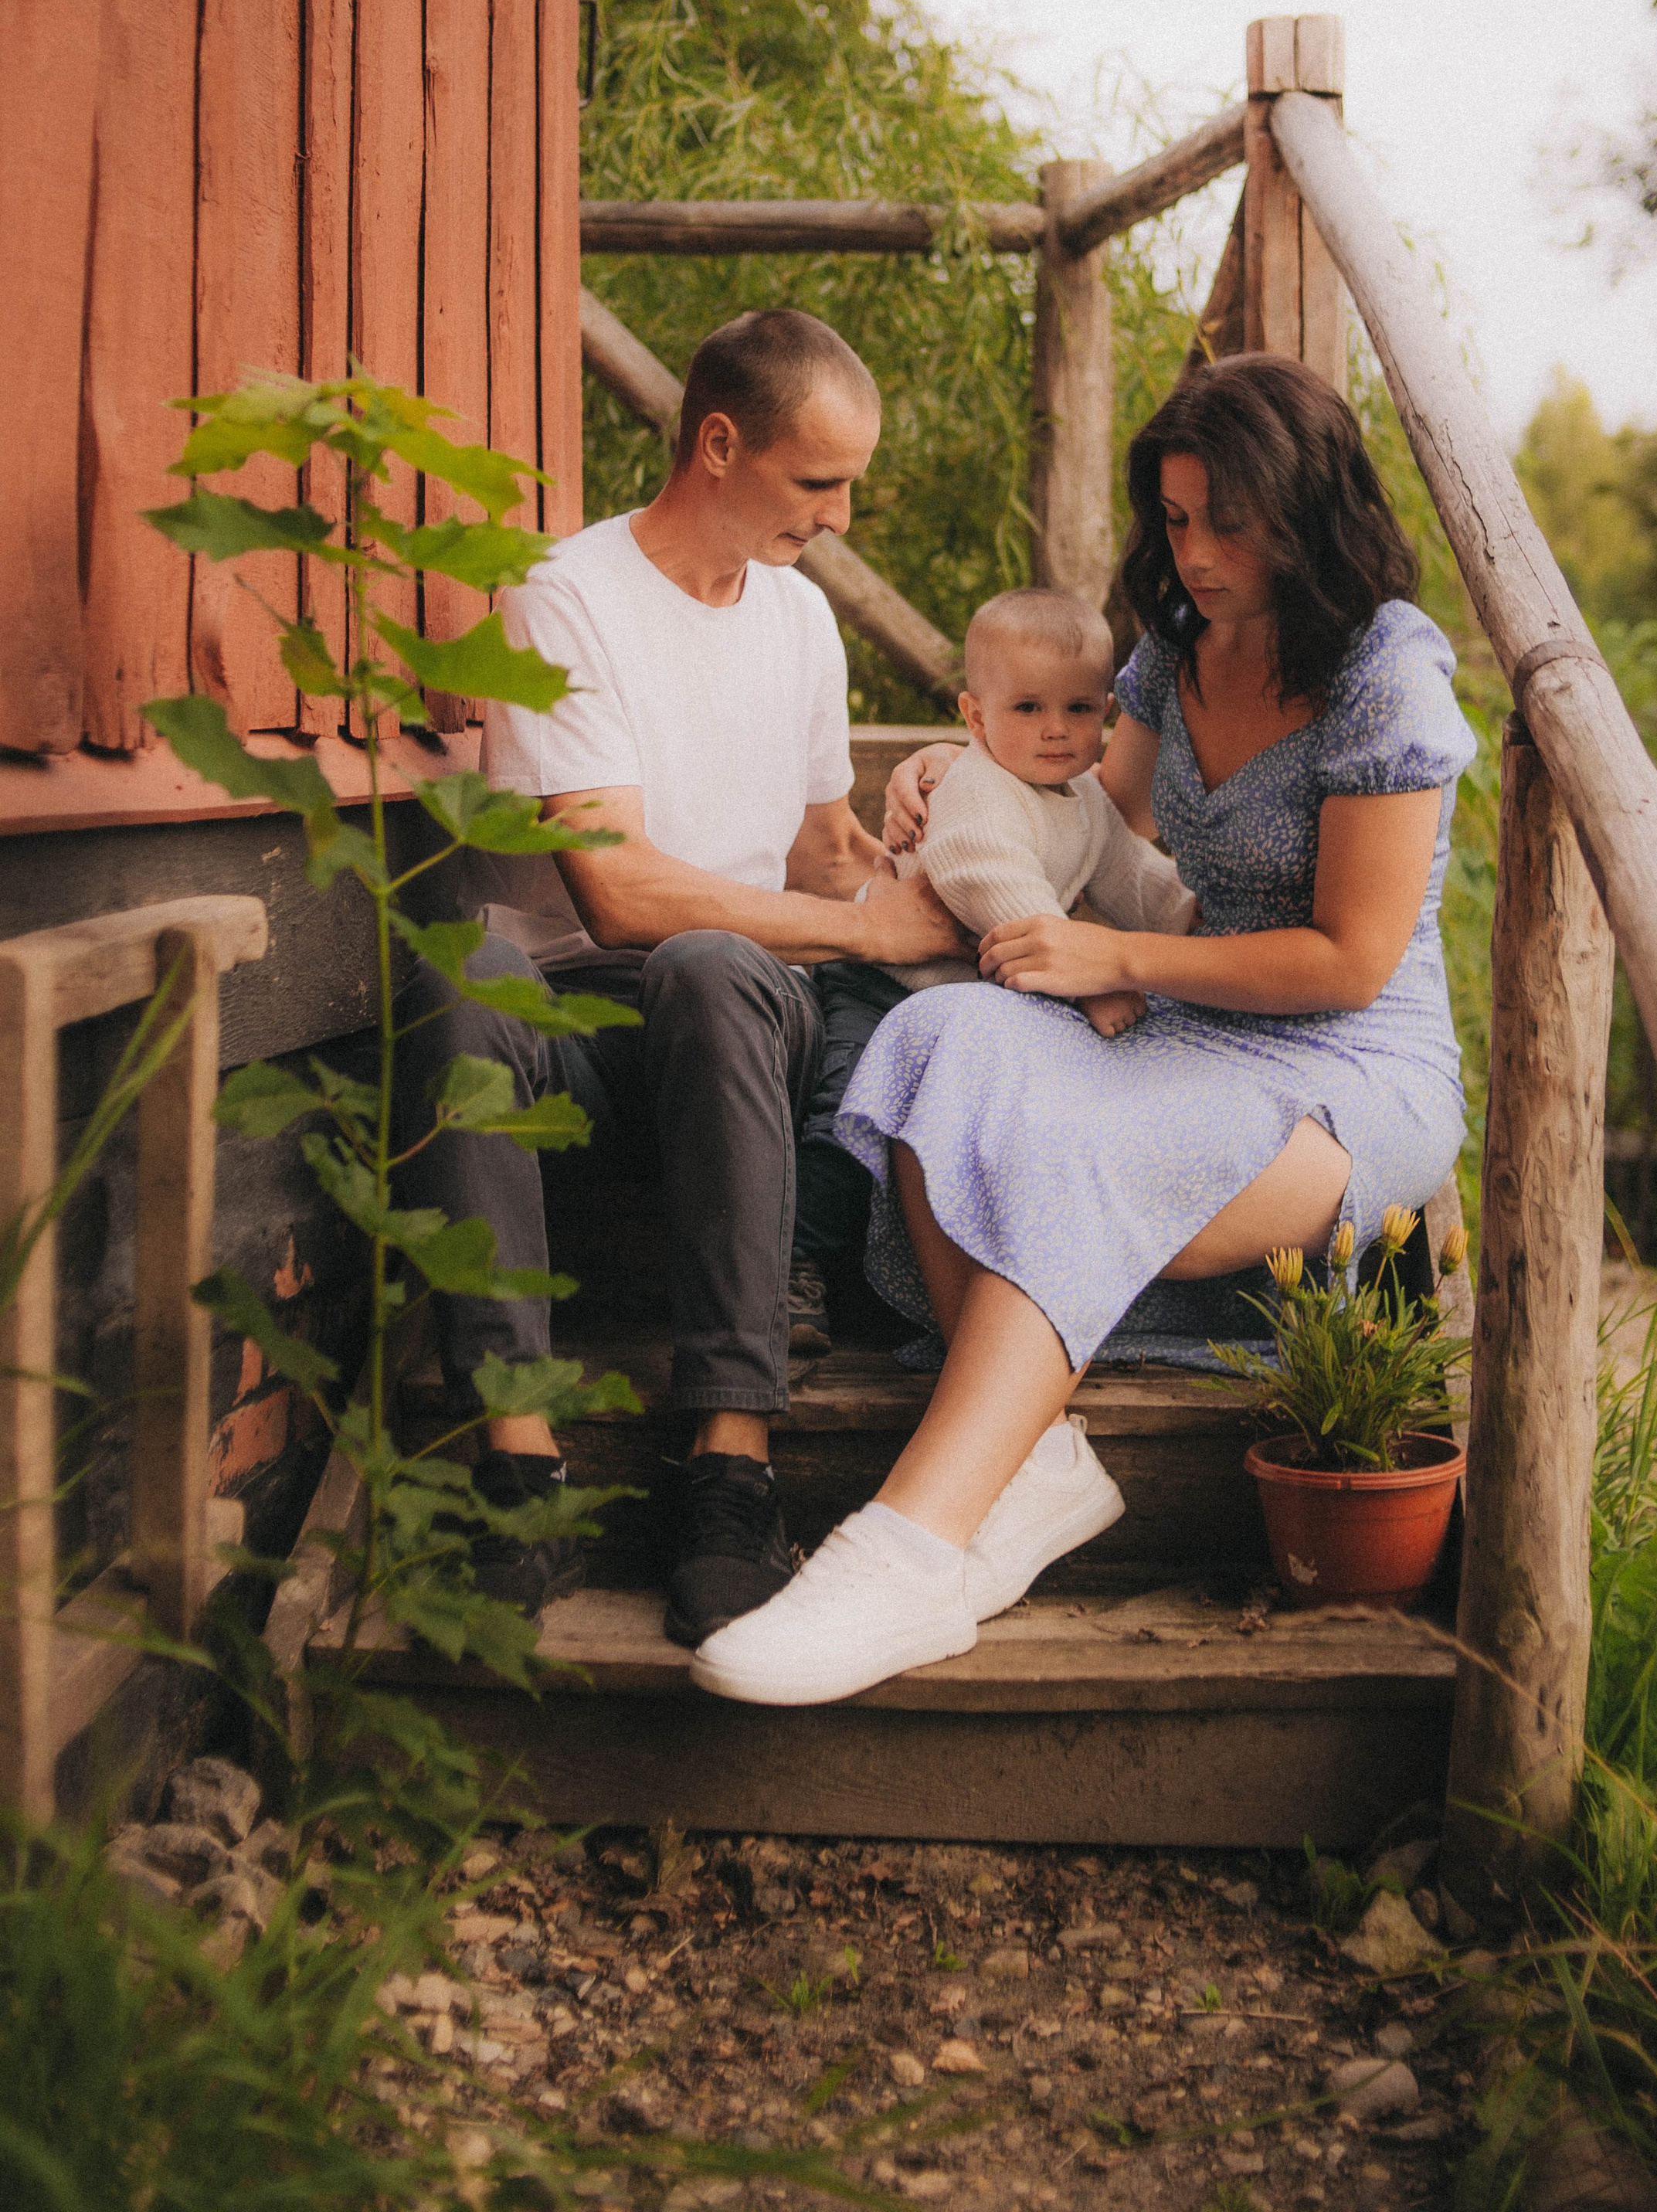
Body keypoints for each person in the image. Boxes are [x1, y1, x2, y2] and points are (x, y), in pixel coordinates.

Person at [686, 352, 1476, 1707]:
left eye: (1228, 520)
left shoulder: (1384, 669)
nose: (1198, 553)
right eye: (1174, 521)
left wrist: (1114, 953)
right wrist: (959, 770)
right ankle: (1040, 1453)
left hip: (1352, 1064)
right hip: (1183, 1018)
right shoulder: (1177, 650)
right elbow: (1085, 807)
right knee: (938, 1044)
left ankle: (916, 1545)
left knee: (1082, 1148)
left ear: (1308, 506)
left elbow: (1352, 958)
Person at [396, 307, 963, 1643]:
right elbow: (616, 886)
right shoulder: (566, 594)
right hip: (573, 1043)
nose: (839, 517)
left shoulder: (805, 625)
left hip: (732, 1029)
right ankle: (517, 1465)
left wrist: (943, 861)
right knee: (460, 962)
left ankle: (728, 1466)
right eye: (818, 483)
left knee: (713, 966)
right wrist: (867, 933)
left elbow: (828, 855)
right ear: (719, 444)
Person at [872, 585, 1197, 1031]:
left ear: (1104, 712)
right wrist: (1092, 985)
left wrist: (1191, 914)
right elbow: (1010, 899)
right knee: (855, 1087)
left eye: (1079, 708)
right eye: (1028, 707)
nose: (1057, 729)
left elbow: (1129, 871)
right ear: (977, 717)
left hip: (985, 995)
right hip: (885, 988)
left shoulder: (1084, 791)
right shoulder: (977, 794)